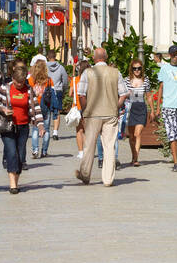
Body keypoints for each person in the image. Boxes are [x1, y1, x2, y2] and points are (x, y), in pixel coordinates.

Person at [76, 47, 128, 187]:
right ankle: (108, 179)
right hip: (110, 113)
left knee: (89, 145)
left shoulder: (88, 72)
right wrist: (115, 106)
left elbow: (81, 94)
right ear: (106, 57)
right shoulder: (115, 73)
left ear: (94, 58)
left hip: (92, 114)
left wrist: (85, 109)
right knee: (109, 146)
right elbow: (123, 94)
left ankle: (85, 174)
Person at [0, 59, 37, 193]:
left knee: (21, 155)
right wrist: (3, 109)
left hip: (23, 126)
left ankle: (16, 181)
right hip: (8, 126)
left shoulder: (29, 90)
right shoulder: (5, 88)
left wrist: (40, 126)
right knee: (12, 153)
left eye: (22, 82)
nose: (19, 85)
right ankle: (13, 184)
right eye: (17, 82)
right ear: (12, 78)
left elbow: (36, 107)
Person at [122, 59, 151, 167]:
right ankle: (133, 156)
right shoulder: (126, 80)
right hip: (130, 108)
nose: (137, 70)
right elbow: (122, 94)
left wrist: (152, 110)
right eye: (134, 68)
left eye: (139, 68)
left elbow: (148, 95)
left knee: (137, 134)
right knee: (132, 136)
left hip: (141, 108)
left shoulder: (146, 80)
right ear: (131, 69)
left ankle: (136, 158)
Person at [27, 58, 56, 160]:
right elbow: (53, 94)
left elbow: (28, 94)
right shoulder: (49, 80)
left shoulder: (31, 80)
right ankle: (44, 151)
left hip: (35, 107)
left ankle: (35, 150)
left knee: (35, 129)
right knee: (47, 130)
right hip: (46, 107)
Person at [46, 55, 70, 141]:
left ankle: (47, 130)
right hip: (58, 90)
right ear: (55, 57)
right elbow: (65, 80)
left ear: (48, 57)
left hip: (47, 90)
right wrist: (64, 89)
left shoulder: (45, 67)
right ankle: (55, 132)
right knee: (57, 112)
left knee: (47, 110)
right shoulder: (61, 68)